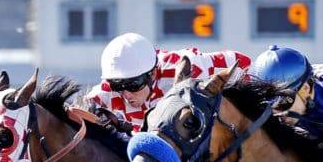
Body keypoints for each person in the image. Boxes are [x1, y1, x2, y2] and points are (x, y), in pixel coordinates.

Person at [84, 32, 251, 133]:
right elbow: (81, 111)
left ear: (153, 73)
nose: (126, 94)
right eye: (118, 85)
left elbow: (242, 62)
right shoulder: (108, 91)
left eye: (133, 85)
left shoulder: (189, 68)